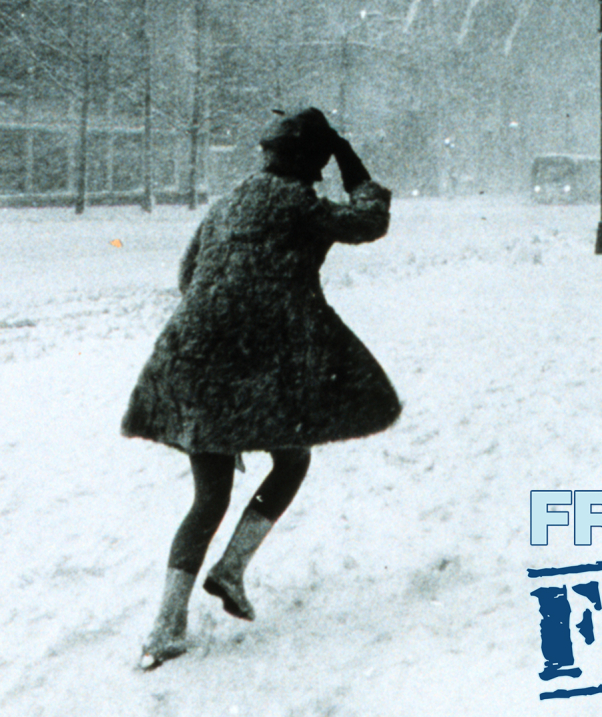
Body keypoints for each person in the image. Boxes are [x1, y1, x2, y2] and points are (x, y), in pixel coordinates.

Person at [121, 107, 402, 670]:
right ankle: (230, 570)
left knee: (208, 497)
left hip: (195, 358)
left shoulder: (225, 204)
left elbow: (186, 276)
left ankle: (165, 626)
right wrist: (352, 163)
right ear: (311, 165)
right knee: (292, 460)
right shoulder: (301, 204)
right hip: (260, 366)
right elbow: (369, 222)